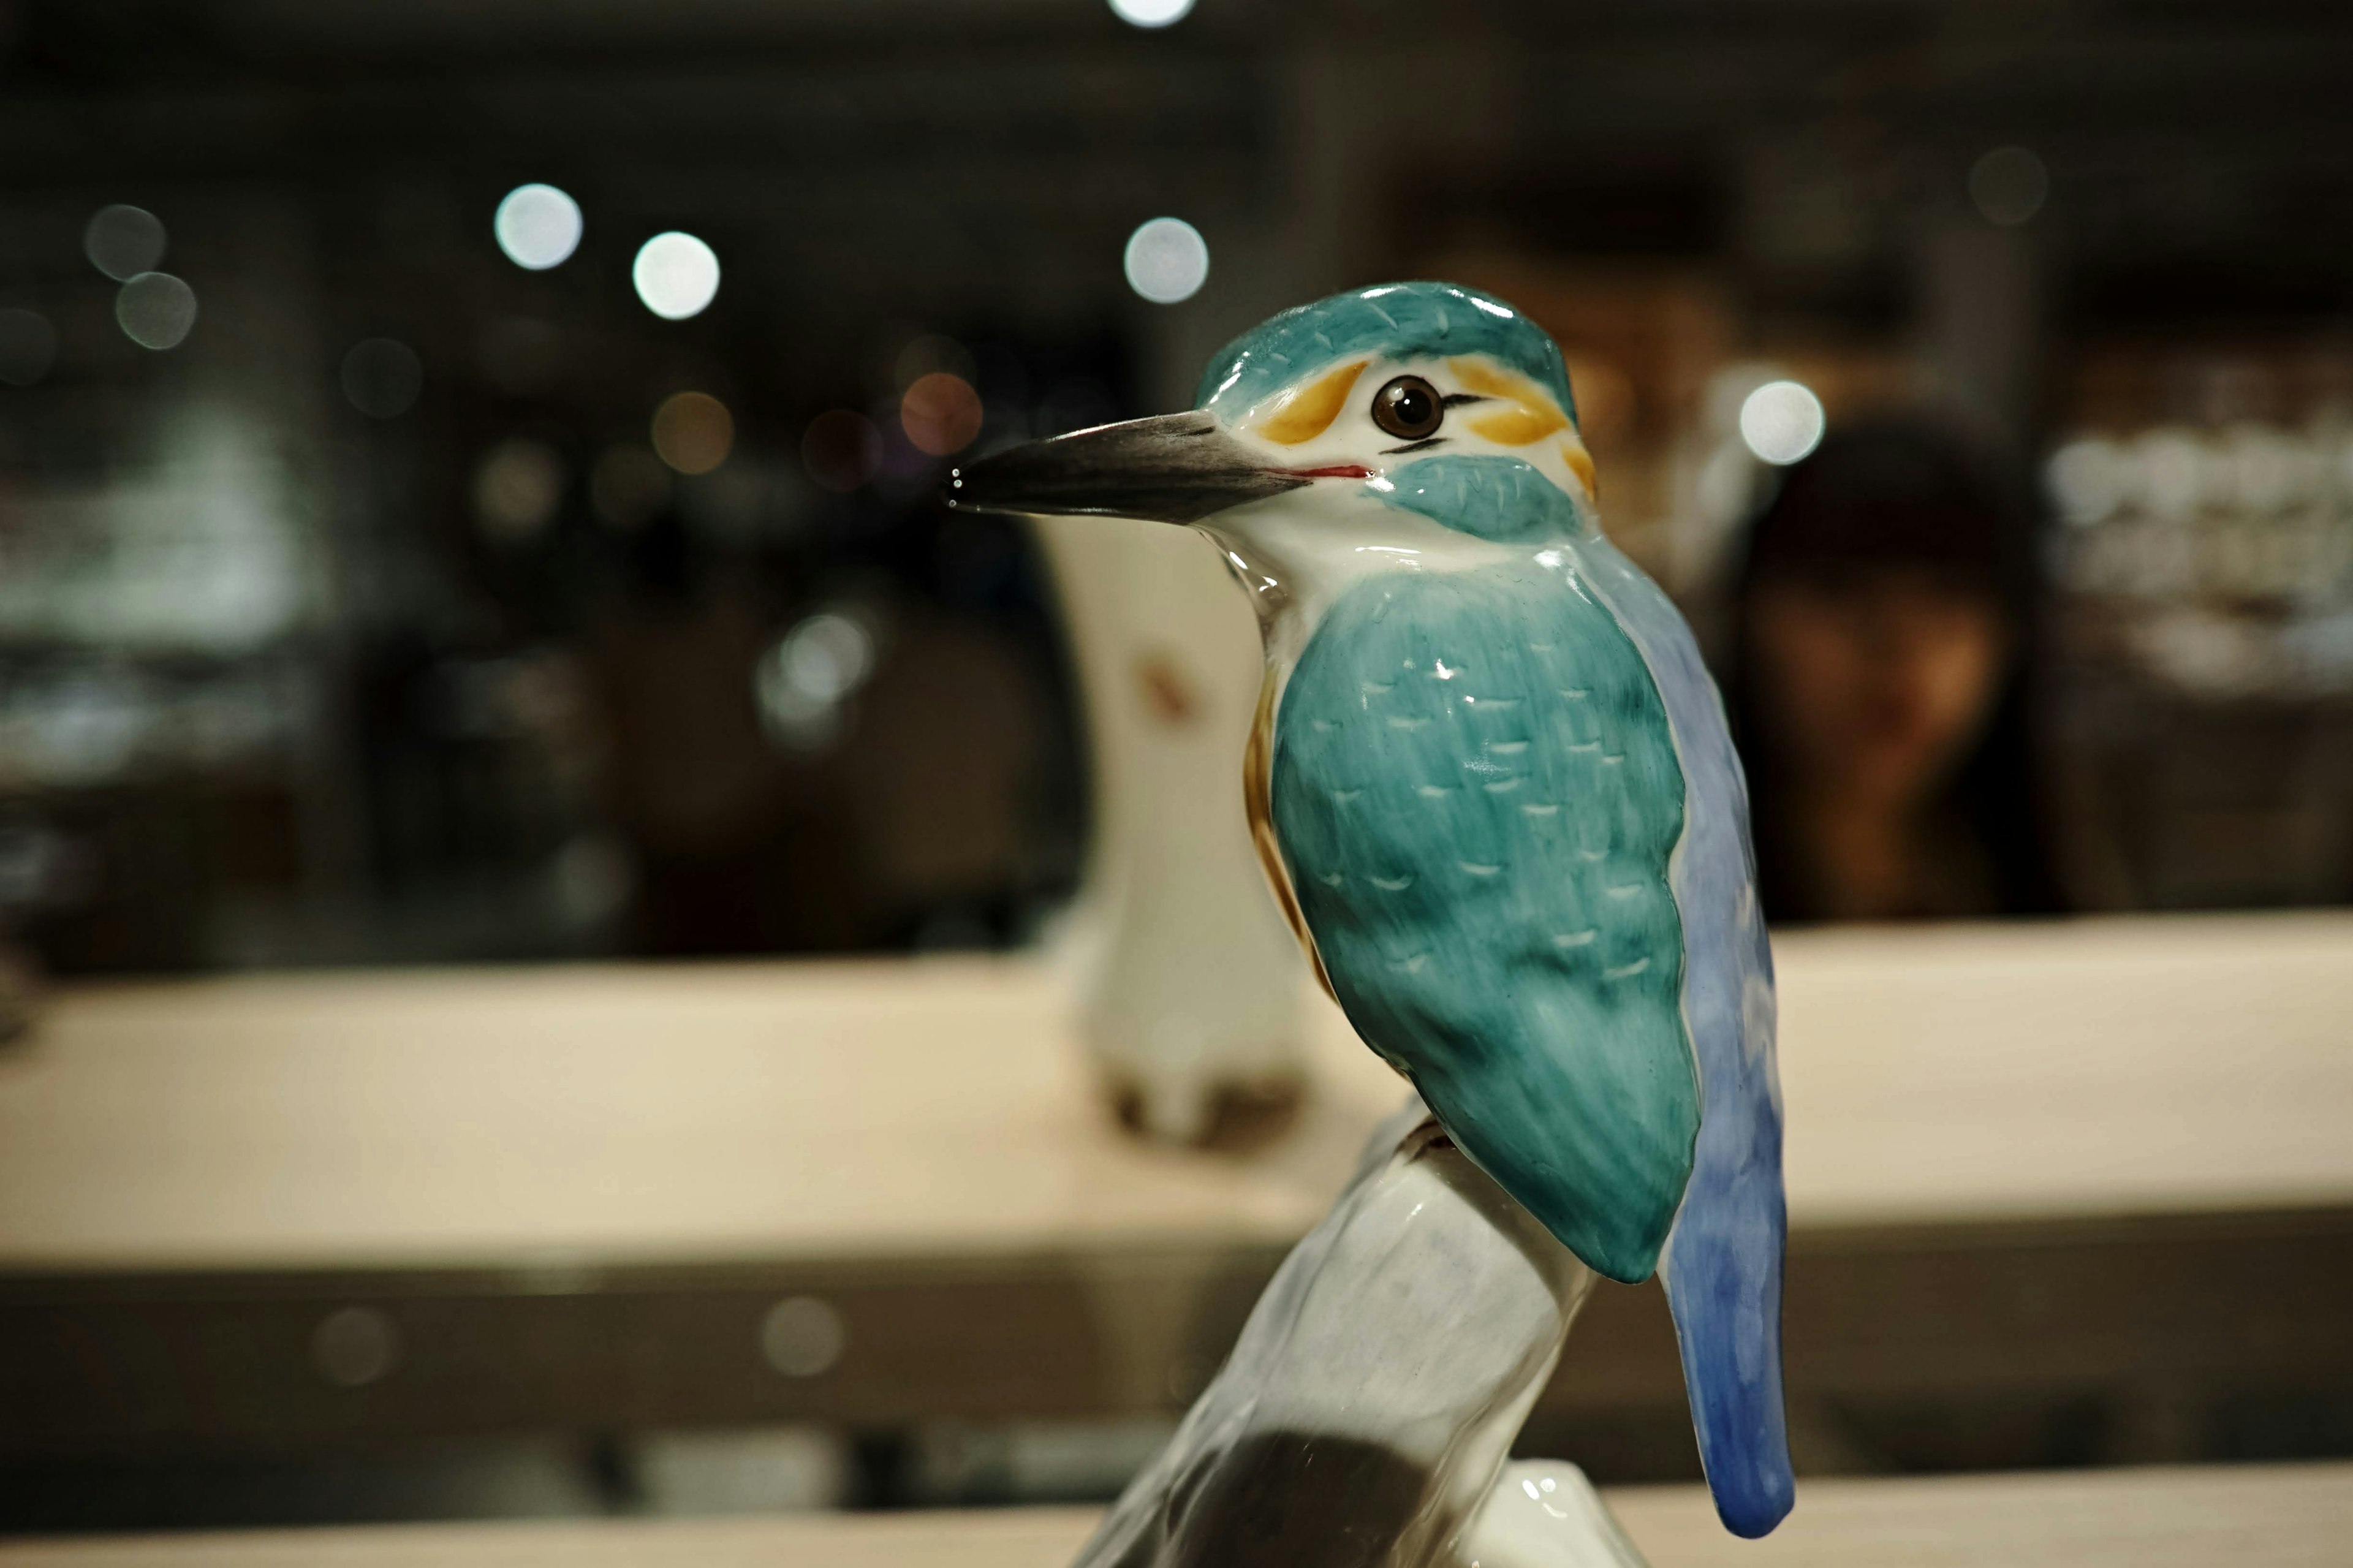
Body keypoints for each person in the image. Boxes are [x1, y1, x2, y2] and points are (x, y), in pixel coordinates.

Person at [1726, 420, 2061, 923]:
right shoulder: (1667, 911)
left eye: (1947, 595)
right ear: (1749, 619)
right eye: (1839, 589)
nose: (1898, 643)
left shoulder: (2058, 896)